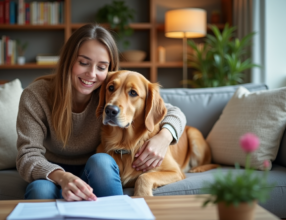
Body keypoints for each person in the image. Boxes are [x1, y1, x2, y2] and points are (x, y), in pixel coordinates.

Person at [16, 24, 187, 202]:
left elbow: (174, 112)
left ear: (109, 70)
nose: (91, 74)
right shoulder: (36, 96)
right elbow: (28, 155)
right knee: (40, 190)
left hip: (95, 169)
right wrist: (63, 176)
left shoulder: (106, 88)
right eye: (83, 63)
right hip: (51, 171)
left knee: (101, 161)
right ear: (68, 60)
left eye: (101, 67)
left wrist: (164, 137)